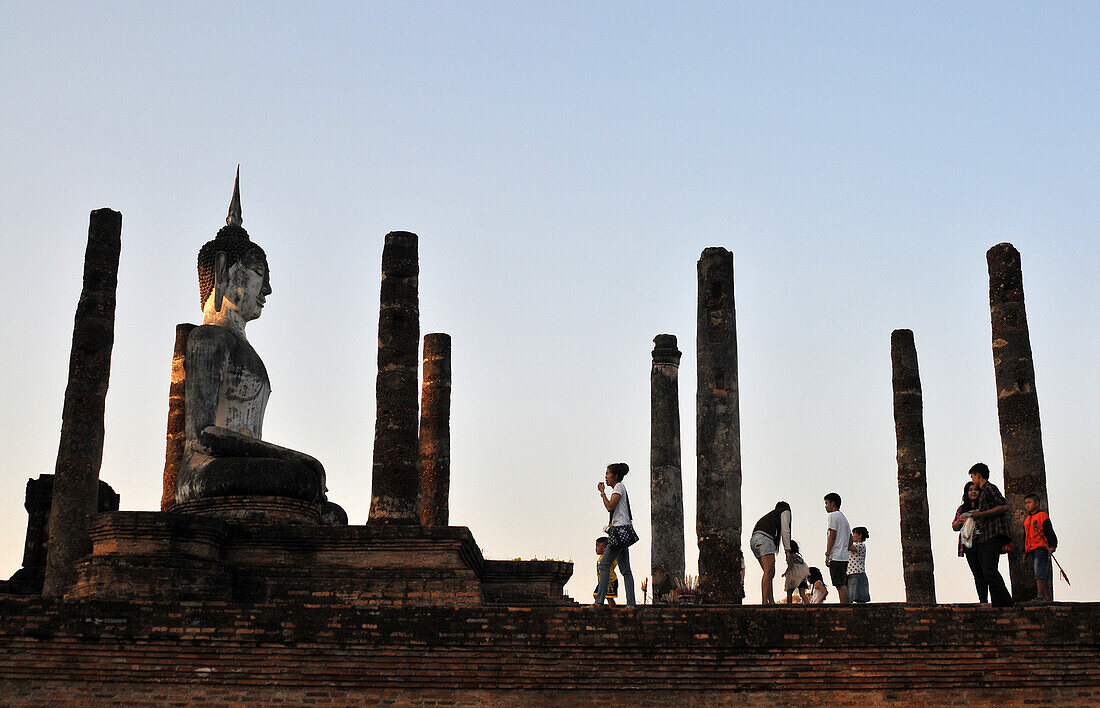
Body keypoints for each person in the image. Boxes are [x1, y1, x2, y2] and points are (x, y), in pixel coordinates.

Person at [968, 463, 1014, 607]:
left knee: (989, 570)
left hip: (995, 533)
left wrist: (981, 514)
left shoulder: (989, 488)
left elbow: (1004, 506)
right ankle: (998, 603)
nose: (973, 479)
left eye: (973, 476)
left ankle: (1006, 602)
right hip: (986, 536)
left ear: (978, 475)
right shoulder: (983, 493)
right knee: (986, 571)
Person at [593, 463, 636, 607]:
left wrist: (602, 493)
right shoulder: (620, 488)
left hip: (618, 532)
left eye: (607, 474)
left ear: (615, 476)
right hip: (622, 532)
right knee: (625, 570)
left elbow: (610, 506)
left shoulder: (619, 487)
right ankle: (631, 604)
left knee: (604, 564)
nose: (605, 477)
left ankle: (599, 601)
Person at [750, 501, 793, 604]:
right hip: (765, 539)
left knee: (770, 572)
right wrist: (788, 551)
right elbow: (785, 531)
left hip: (754, 540)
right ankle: (765, 602)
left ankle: (771, 601)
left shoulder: (771, 516)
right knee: (768, 572)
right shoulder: (785, 511)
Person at [952, 481, 987, 603]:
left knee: (987, 571)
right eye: (970, 490)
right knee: (977, 573)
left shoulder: (984, 507)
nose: (973, 492)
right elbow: (955, 527)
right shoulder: (962, 509)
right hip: (968, 545)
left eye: (975, 490)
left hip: (983, 541)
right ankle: (983, 600)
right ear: (966, 493)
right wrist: (959, 522)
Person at [1023, 493, 1059, 603]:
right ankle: (1048, 598)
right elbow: (1025, 537)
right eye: (1026, 503)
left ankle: (1040, 596)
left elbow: (1049, 531)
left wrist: (1052, 545)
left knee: (1040, 571)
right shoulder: (1027, 520)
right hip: (1032, 548)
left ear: (1037, 503)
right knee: (1043, 573)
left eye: (1029, 502)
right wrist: (1025, 551)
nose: (1027, 505)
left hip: (1041, 547)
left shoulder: (1042, 516)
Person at [823, 493, 852, 603]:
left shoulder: (832, 516)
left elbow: (832, 535)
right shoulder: (844, 519)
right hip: (844, 556)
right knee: (841, 584)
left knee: (839, 584)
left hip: (836, 556)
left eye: (826, 503)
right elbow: (850, 539)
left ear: (833, 503)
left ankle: (845, 607)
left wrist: (827, 553)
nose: (826, 506)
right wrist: (845, 547)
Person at [846, 527, 870, 603]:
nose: (853, 536)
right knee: (851, 598)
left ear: (860, 535)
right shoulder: (856, 545)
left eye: (854, 534)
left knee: (859, 598)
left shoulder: (860, 545)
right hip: (851, 574)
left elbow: (848, 546)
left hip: (857, 573)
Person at [782, 540, 811, 605]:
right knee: (802, 593)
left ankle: (789, 607)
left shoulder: (790, 556)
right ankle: (809, 605)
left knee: (789, 592)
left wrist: (785, 572)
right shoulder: (799, 557)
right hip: (802, 575)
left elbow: (791, 565)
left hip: (793, 575)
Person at [593, 537, 619, 606]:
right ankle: (601, 607)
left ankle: (613, 610)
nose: (596, 549)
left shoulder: (609, 557)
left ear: (604, 548)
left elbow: (614, 563)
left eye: (597, 546)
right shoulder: (601, 557)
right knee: (596, 595)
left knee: (609, 598)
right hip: (601, 581)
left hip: (610, 581)